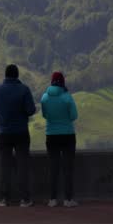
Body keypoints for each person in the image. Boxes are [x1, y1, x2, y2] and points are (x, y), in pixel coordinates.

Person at [0, 63, 36, 207]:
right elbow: (31, 110)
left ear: (5, 75)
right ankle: (25, 199)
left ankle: (3, 198)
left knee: (4, 167)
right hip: (21, 133)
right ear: (17, 75)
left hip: (4, 134)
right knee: (22, 166)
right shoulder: (24, 89)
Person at [41, 70, 79, 208]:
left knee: (53, 168)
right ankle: (68, 199)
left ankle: (52, 199)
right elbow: (74, 116)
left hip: (51, 135)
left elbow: (45, 115)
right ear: (63, 82)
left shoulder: (44, 97)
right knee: (68, 168)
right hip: (67, 135)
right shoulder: (67, 97)